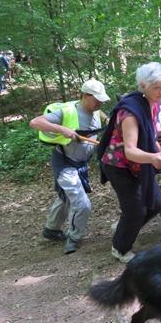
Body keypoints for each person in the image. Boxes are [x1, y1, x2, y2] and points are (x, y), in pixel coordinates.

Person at [96, 62, 161, 263]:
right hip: (119, 165)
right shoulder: (130, 112)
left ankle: (125, 227)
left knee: (155, 204)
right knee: (136, 210)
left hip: (140, 162)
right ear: (142, 86)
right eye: (157, 87)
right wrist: (153, 157)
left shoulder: (153, 104)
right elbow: (130, 151)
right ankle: (120, 248)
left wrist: (157, 150)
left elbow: (151, 133)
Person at [29, 78, 110, 254]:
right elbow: (35, 122)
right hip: (65, 162)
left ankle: (51, 230)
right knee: (82, 205)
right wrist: (61, 129)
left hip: (81, 163)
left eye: (101, 100)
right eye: (97, 99)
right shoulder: (67, 111)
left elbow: (100, 112)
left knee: (66, 197)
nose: (99, 103)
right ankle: (74, 238)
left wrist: (107, 119)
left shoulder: (95, 108)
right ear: (85, 95)